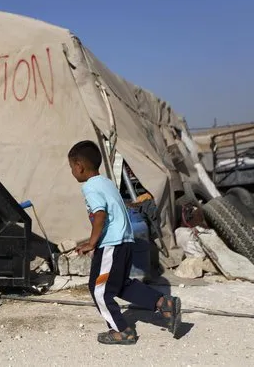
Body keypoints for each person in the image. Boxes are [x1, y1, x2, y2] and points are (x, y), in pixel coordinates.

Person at [68, 140, 182, 345]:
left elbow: (100, 215)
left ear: (79, 166)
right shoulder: (106, 182)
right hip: (124, 241)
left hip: (112, 244)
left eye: (71, 168)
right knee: (119, 285)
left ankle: (121, 330)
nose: (72, 172)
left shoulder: (90, 187)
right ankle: (163, 303)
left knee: (99, 290)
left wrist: (92, 243)